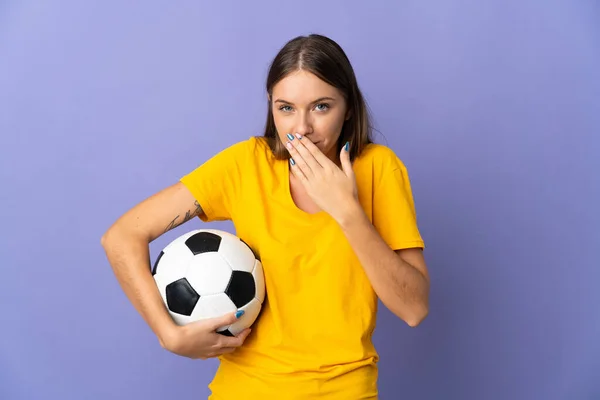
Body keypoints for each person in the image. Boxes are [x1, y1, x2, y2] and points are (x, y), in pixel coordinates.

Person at [101, 33, 430, 399]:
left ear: (348, 107)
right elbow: (121, 237)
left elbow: (414, 308)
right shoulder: (247, 164)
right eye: (286, 108)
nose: (301, 128)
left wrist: (347, 212)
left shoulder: (379, 169)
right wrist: (169, 334)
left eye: (321, 106)